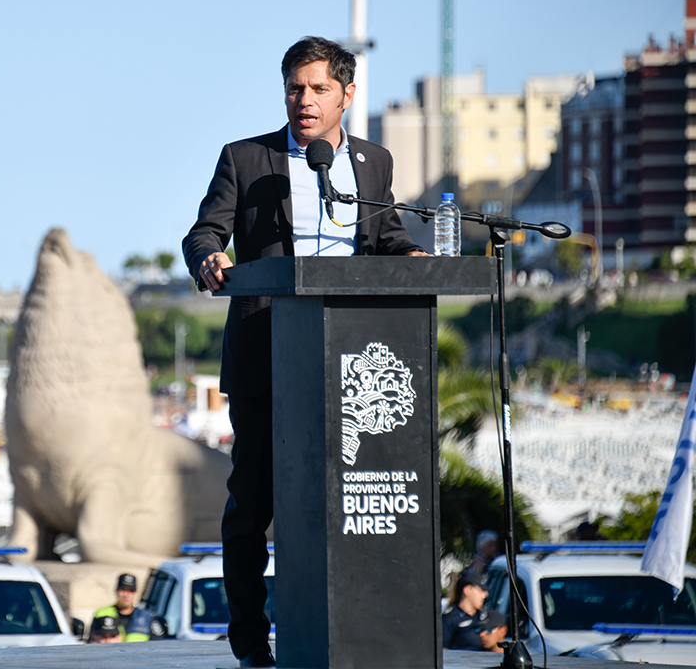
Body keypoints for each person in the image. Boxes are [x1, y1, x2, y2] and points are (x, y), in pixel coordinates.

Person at [182, 36, 428, 668]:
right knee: (253, 507)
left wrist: (413, 256)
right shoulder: (246, 158)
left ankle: (356, 632)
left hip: (353, 363)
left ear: (348, 94)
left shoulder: (374, 161)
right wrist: (210, 257)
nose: (305, 100)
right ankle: (250, 640)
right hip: (268, 356)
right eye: (295, 88)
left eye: (319, 88)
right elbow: (205, 231)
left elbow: (387, 236)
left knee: (348, 503)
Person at [89, 574, 164, 643]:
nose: (126, 595)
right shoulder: (101, 613)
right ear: (116, 591)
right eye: (123, 590)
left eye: (130, 591)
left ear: (136, 593)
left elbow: (157, 644)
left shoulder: (148, 616)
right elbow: (91, 642)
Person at [442, 572, 506, 651]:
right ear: (468, 590)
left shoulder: (485, 616)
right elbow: (443, 651)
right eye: (481, 591)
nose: (485, 595)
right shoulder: (449, 619)